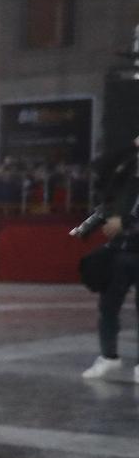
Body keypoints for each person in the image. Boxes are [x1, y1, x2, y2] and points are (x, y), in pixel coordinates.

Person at [83, 135, 139, 381]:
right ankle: (108, 357)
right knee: (108, 306)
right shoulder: (128, 166)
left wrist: (125, 221)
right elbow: (99, 168)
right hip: (120, 250)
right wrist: (130, 145)